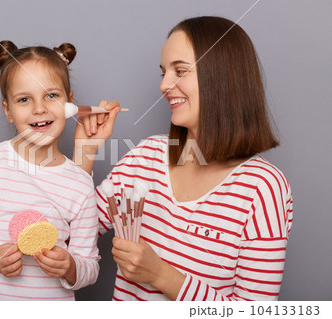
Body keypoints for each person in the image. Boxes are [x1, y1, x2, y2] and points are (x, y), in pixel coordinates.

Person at [74, 16, 293, 301]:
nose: (164, 85)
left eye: (180, 70)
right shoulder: (146, 156)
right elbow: (72, 236)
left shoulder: (263, 189)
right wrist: (84, 155)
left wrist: (161, 275)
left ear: (222, 76)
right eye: (163, 72)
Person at [0, 40, 100, 300]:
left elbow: (90, 266)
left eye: (52, 95)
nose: (39, 108)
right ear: (8, 110)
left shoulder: (80, 182)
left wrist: (71, 267)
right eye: (24, 99)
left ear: (70, 103)